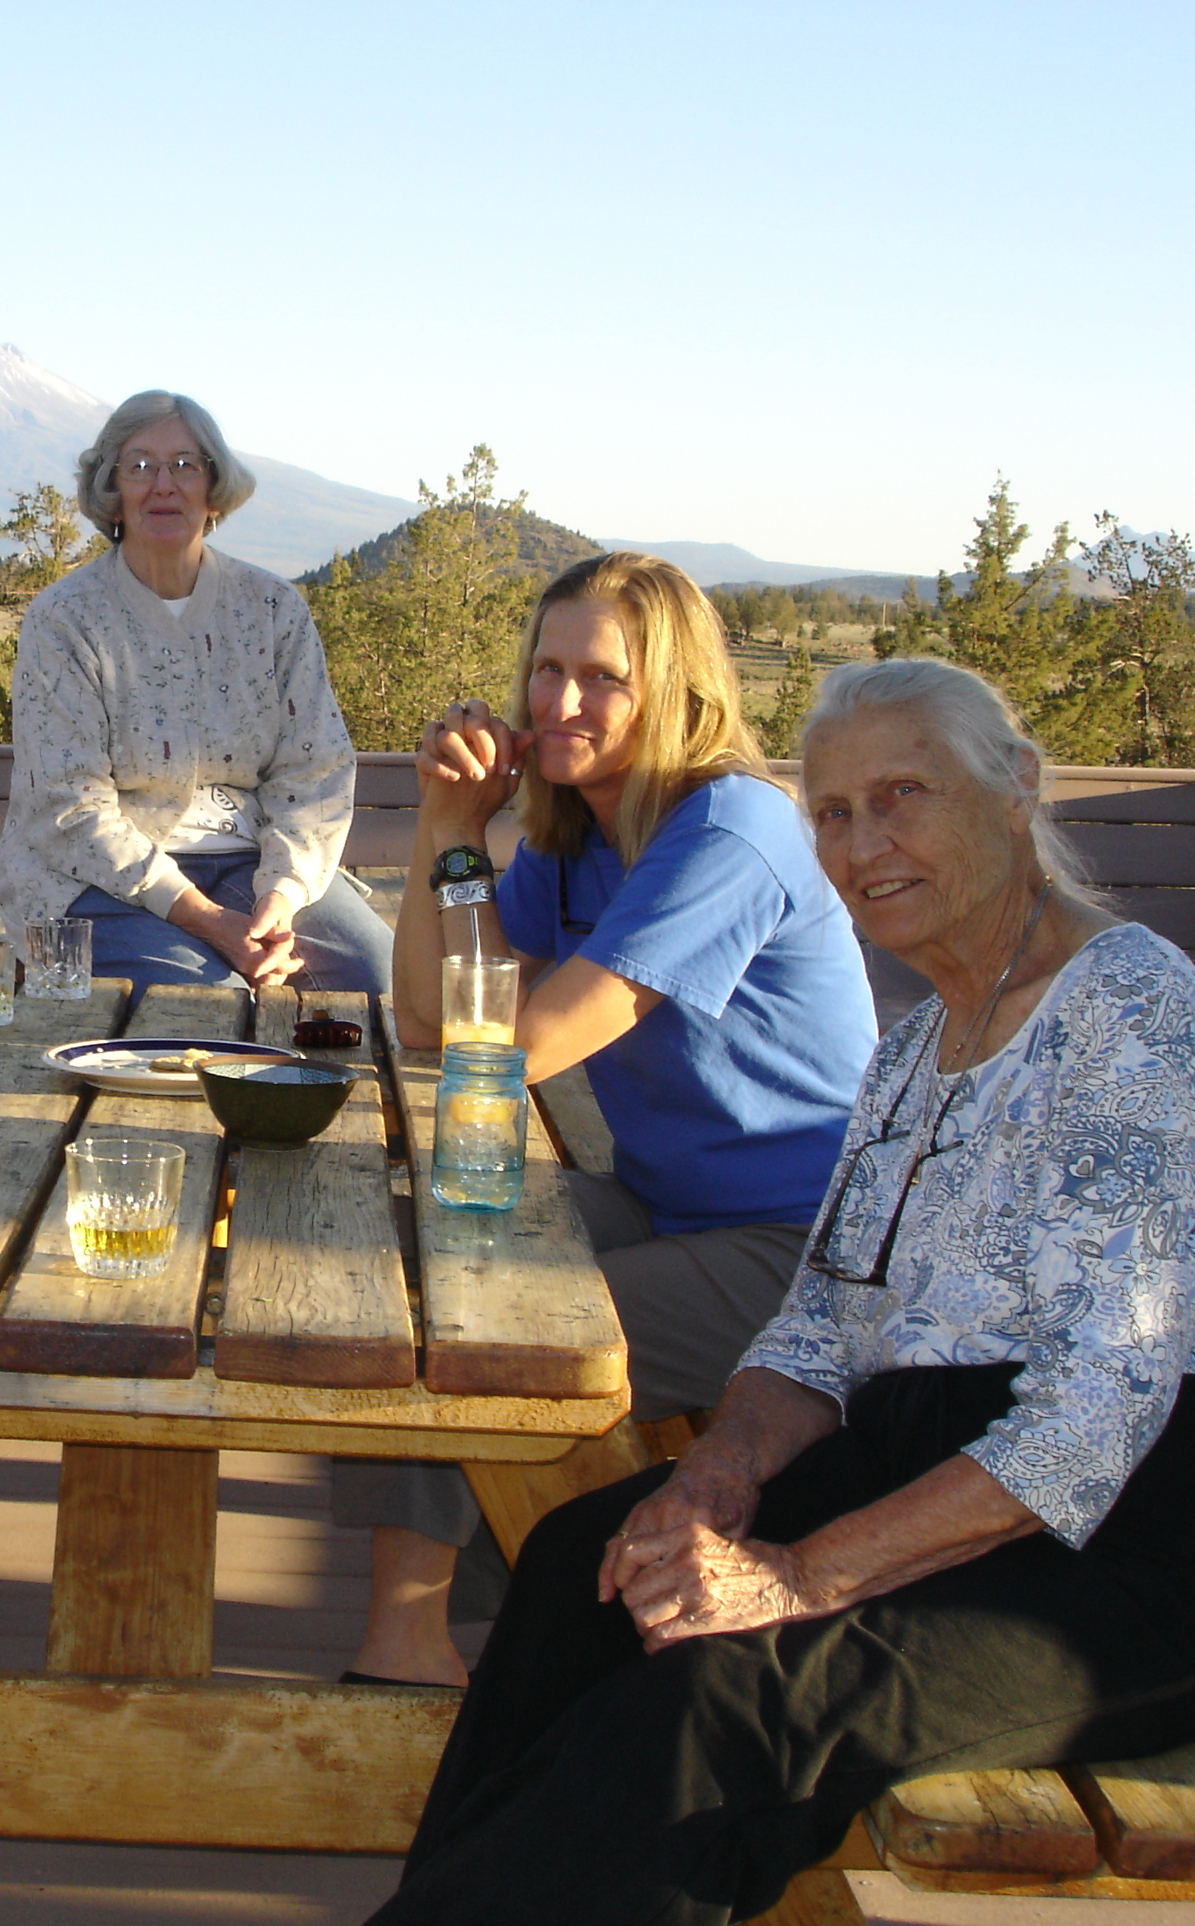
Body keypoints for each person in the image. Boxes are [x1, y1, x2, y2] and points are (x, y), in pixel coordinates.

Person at [370, 657, 1195, 1925]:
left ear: (1017, 788)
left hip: (1156, 1535)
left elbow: (1087, 1426)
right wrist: (711, 1483)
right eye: (832, 812)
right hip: (935, 1455)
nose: (863, 843)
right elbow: (819, 1324)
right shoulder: (920, 1044)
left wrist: (794, 1576)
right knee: (583, 1568)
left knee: (727, 1706)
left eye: (902, 796)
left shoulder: (1130, 1015)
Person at [339, 551, 877, 1686]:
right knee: (404, 1261)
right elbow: (434, 1021)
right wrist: (446, 824)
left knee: (485, 1326)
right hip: (665, 1206)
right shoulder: (577, 835)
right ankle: (429, 1623)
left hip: (812, 1254)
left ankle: (419, 1639)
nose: (561, 701)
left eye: (603, 678)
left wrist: (463, 847)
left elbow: (519, 1046)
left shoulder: (729, 830)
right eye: (547, 670)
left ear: (675, 693)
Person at [0, 390, 393, 995]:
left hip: (252, 862)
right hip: (93, 881)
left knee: (375, 974)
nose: (164, 484)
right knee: (208, 1001)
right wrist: (209, 922)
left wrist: (280, 897)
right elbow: (69, 805)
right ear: (112, 487)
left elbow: (315, 769)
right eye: (140, 465)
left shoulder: (271, 608)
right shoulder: (64, 619)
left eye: (185, 465)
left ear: (214, 485)